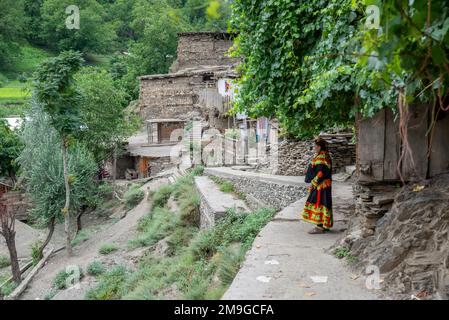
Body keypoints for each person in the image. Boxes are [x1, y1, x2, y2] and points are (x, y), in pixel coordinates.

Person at [302, 138, 333, 234]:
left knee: (319, 203)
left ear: (319, 147)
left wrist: (313, 184)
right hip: (325, 185)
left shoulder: (321, 158)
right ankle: (324, 224)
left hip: (320, 186)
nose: (314, 148)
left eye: (315, 146)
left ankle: (319, 227)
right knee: (325, 203)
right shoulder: (324, 155)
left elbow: (320, 174)